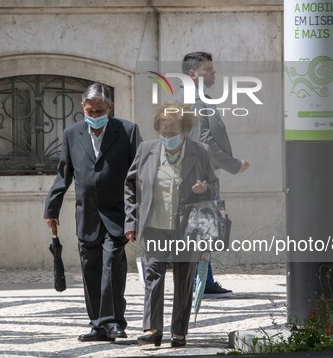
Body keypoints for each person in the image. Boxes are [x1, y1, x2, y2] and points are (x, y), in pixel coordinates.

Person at [44, 82, 141, 342]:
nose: (95, 116)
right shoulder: (72, 133)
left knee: (112, 267)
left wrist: (135, 215)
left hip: (117, 215)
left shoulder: (128, 131)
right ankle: (98, 324)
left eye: (100, 111)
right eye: (91, 112)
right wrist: (51, 208)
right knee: (91, 271)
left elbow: (138, 176)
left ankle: (114, 322)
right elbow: (64, 174)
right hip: (86, 215)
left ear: (110, 107)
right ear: (83, 108)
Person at [124, 104, 219, 347]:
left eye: (172, 132)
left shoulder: (201, 151)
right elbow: (130, 185)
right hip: (155, 223)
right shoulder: (147, 150)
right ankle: (152, 328)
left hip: (187, 226)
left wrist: (204, 188)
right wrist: (131, 221)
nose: (167, 137)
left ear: (185, 129)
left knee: (183, 277)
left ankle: (179, 331)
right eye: (163, 132)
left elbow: (214, 186)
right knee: (153, 272)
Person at [176, 51, 250, 298]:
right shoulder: (194, 101)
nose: (214, 72)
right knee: (201, 229)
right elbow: (205, 141)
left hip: (201, 177)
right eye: (209, 69)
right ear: (193, 74)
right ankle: (201, 283)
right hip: (200, 179)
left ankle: (203, 281)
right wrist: (233, 164)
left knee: (203, 230)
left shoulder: (199, 98)